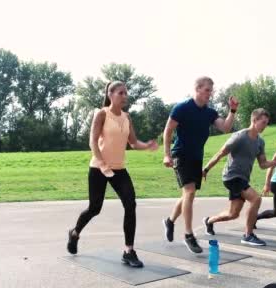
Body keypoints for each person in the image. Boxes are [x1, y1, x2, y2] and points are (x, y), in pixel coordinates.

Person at [67, 81, 158, 268]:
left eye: (126, 93)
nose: (125, 96)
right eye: (121, 93)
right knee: (94, 208)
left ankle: (128, 251)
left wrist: (147, 145)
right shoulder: (101, 114)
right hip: (98, 169)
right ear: (111, 94)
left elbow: (133, 143)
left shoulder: (127, 117)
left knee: (130, 204)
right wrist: (101, 164)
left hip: (119, 169)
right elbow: (92, 142)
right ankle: (75, 233)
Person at [161, 76, 237, 253]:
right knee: (190, 191)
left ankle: (170, 221)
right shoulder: (182, 108)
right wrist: (166, 155)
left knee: (188, 194)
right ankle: (188, 235)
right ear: (197, 89)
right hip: (181, 154)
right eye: (207, 90)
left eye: (211, 90)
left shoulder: (210, 112)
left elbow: (225, 127)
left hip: (197, 157)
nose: (210, 94)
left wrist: (232, 111)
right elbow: (168, 130)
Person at [201, 109, 276, 245]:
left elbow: (263, 164)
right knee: (256, 199)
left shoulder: (260, 142)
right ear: (254, 120)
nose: (265, 126)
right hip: (232, 176)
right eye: (263, 122)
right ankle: (248, 234)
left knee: (233, 214)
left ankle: (209, 221)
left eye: (267, 123)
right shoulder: (239, 136)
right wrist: (206, 169)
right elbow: (220, 153)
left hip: (242, 178)